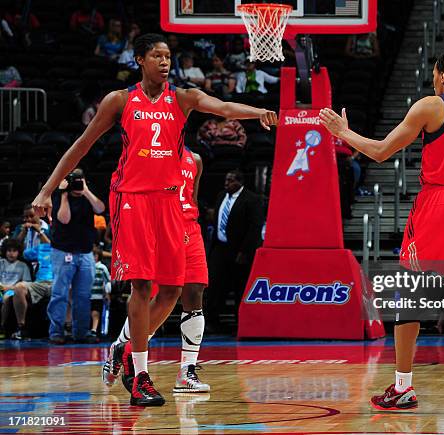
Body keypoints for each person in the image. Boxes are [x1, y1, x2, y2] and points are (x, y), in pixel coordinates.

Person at [32, 33, 277, 407]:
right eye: (157, 56)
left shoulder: (182, 98)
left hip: (167, 205)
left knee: (174, 290)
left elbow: (224, 107)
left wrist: (256, 112)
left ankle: (121, 349)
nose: (165, 62)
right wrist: (47, 190)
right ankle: (140, 375)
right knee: (142, 286)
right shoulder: (120, 100)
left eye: (168, 56)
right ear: (140, 60)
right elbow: (82, 144)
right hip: (131, 199)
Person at [320, 49, 444, 415]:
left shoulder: (431, 106)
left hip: (439, 204)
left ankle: (402, 387)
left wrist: (343, 132)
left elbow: (380, 152)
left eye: (434, 72)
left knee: (412, 295)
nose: (432, 77)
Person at [103, 148, 210, 394]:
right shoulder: (147, 153)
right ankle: (123, 346)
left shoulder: (195, 160)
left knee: (195, 292)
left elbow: (192, 198)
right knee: (155, 295)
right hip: (158, 226)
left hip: (189, 229)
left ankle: (186, 372)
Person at [47, 168, 104, 345]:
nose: (77, 185)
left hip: (85, 252)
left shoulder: (87, 194)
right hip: (63, 251)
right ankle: (56, 331)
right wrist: (64, 194)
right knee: (60, 294)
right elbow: (64, 219)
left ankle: (81, 333)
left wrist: (85, 190)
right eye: (75, 182)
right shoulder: (59, 195)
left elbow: (100, 209)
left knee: (83, 295)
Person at [207, 170, 265, 331]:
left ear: (240, 182)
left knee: (240, 287)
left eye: (230, 181)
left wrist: (244, 251)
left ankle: (241, 323)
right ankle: (212, 321)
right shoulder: (221, 196)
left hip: (239, 251)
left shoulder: (252, 199)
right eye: (226, 180)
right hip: (220, 248)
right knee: (215, 286)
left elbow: (255, 228)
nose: (226, 184)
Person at [3, 238, 52, 340]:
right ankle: (21, 327)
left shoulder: (65, 249)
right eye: (9, 251)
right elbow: (24, 254)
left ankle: (67, 328)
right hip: (39, 283)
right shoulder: (41, 249)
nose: (11, 253)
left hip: (58, 282)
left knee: (70, 288)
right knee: (19, 287)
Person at [0, 239, 31, 338]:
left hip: (12, 291)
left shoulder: (23, 266)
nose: (11, 253)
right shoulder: (1, 263)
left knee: (6, 298)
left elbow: (27, 282)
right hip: (1, 289)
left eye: (14, 251)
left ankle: (2, 326)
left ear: (19, 252)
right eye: (9, 250)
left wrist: (9, 287)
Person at [90, 246, 110, 336]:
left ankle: (94, 330)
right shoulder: (87, 267)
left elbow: (107, 281)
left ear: (97, 256)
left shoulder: (102, 267)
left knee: (96, 312)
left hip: (97, 295)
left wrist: (107, 293)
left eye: (93, 255)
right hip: (87, 295)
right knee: (88, 312)